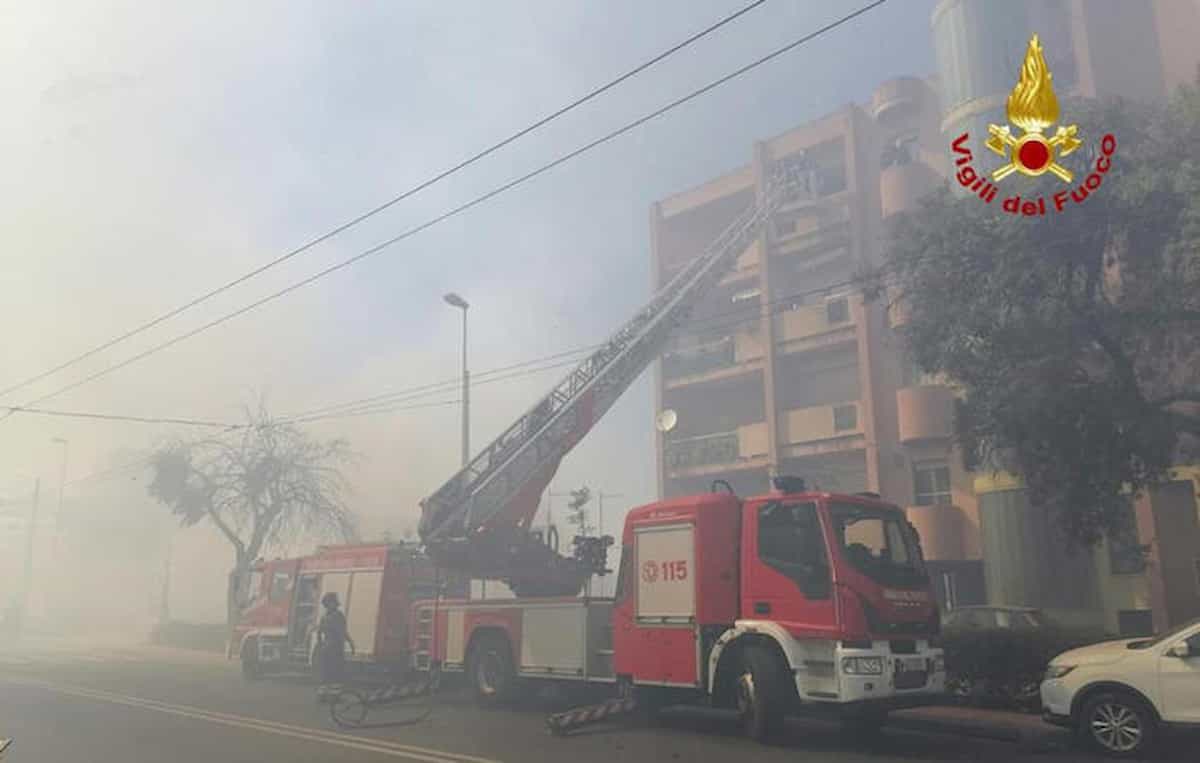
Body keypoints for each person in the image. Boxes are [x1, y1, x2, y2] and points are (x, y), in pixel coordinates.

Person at [315, 592, 355, 702]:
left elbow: (319, 632)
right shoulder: (338, 616)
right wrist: (351, 643)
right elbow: (343, 632)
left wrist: (320, 645)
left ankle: (323, 695)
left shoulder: (324, 616)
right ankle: (334, 696)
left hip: (326, 647)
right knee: (336, 672)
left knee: (326, 672)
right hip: (335, 647)